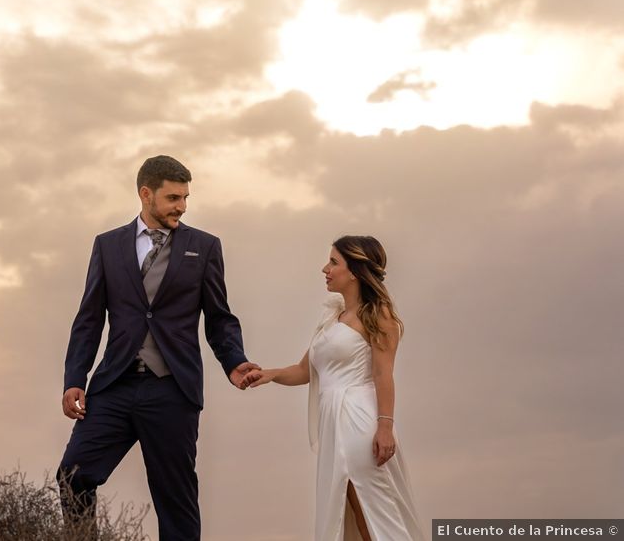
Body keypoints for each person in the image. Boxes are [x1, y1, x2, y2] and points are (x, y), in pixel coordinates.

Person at [56, 155, 260, 540]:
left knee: (175, 500)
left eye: (185, 198)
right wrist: (74, 379)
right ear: (145, 194)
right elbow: (88, 320)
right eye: (172, 198)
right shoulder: (107, 245)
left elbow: (219, 317)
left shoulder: (205, 247)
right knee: (74, 476)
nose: (181, 207)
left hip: (172, 389)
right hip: (114, 386)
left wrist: (234, 361)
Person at [246, 236, 425, 540]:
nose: (325, 269)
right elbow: (305, 371)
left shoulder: (378, 316)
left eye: (333, 262)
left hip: (360, 420)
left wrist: (384, 427)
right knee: (352, 509)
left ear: (354, 270)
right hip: (333, 423)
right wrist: (268, 374)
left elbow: (384, 374)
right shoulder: (332, 318)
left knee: (375, 507)